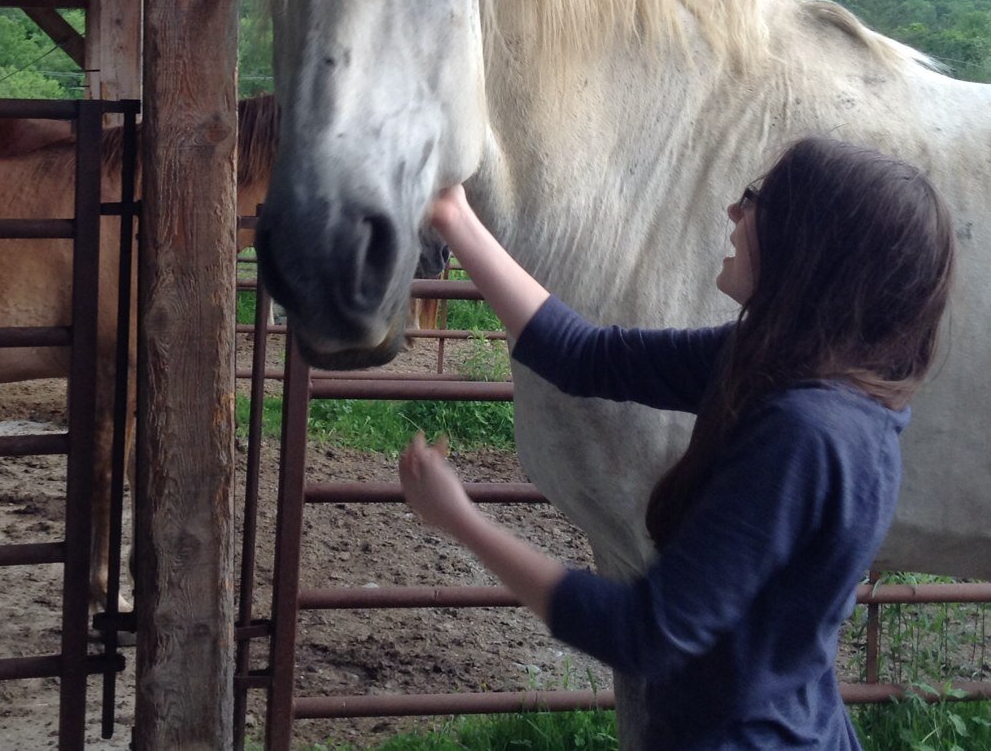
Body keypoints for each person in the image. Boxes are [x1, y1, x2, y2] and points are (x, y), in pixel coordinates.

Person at [399, 136, 954, 749]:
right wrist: (455, 215)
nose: (734, 213)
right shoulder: (790, 371)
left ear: (808, 247)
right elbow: (588, 357)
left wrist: (462, 520)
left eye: (757, 199)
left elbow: (646, 633)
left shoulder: (805, 435)